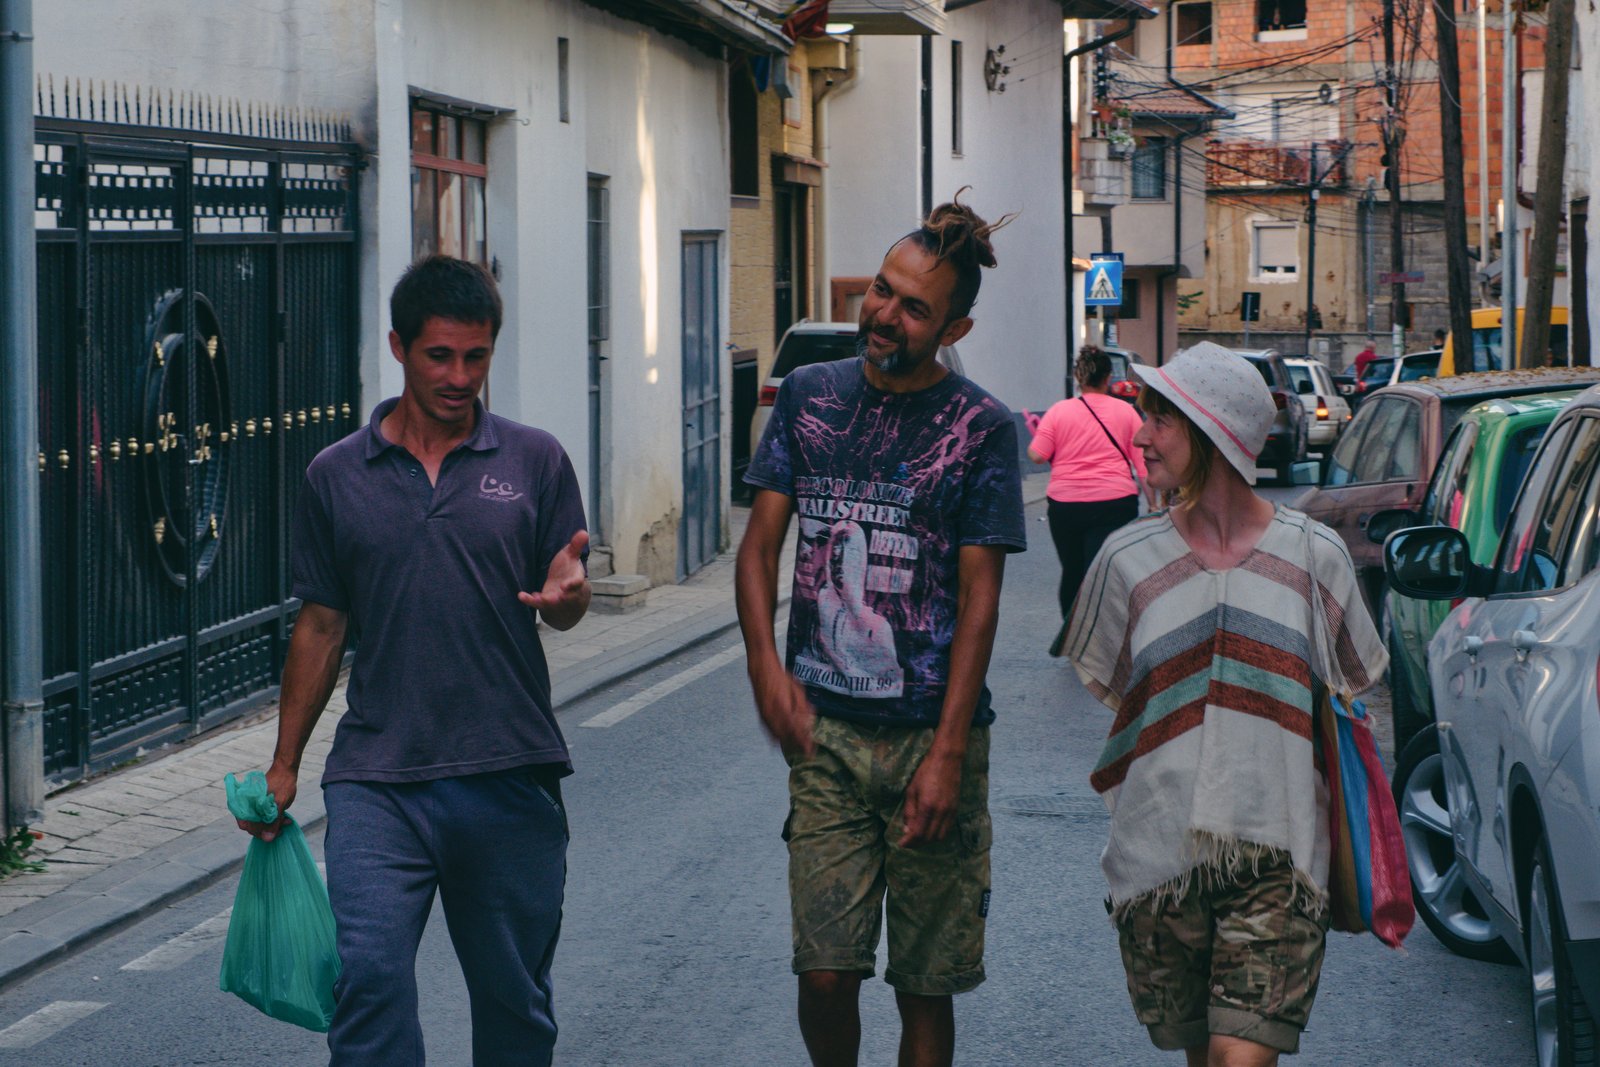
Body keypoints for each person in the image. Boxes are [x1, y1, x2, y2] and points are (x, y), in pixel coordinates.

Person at [236, 255, 590, 1067]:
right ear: (398, 346)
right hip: (377, 778)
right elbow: (322, 626)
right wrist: (284, 764)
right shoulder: (336, 475)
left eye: (477, 356)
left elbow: (566, 594)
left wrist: (570, 599)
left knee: (514, 1004)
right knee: (366, 982)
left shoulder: (534, 461)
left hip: (509, 770)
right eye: (440, 355)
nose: (460, 376)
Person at [736, 196, 1026, 1067]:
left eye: (912, 308)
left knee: (922, 984)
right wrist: (767, 672)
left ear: (954, 324)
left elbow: (980, 602)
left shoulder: (984, 428)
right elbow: (758, 551)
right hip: (824, 734)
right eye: (882, 291)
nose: (884, 315)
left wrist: (946, 754)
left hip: (931, 739)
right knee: (824, 973)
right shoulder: (810, 398)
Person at [1062, 341, 1386, 1066]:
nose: (1139, 433)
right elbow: (1128, 702)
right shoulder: (1124, 562)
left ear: (1213, 434)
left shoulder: (1315, 556)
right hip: (1161, 861)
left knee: (1241, 1059)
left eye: (1160, 419)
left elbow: (1351, 686)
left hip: (1280, 855)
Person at [1026, 345, 1152, 649]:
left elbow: (1037, 456)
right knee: (1103, 571)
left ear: (1078, 378)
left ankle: (1072, 634)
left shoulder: (1058, 412)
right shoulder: (1127, 412)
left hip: (1066, 505)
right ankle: (1100, 636)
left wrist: (1039, 433)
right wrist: (1156, 502)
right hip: (1115, 503)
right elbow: (1143, 466)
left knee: (1073, 569)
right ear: (1108, 377)